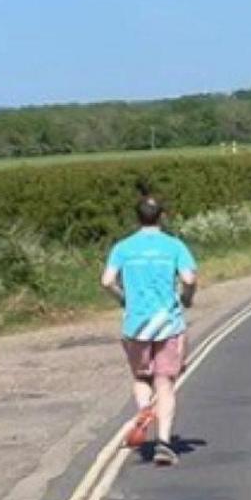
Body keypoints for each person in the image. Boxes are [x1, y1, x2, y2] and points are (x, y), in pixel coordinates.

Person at [104, 193, 200, 467]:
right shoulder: (174, 246)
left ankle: (145, 411)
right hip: (167, 324)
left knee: (140, 377)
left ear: (137, 217)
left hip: (136, 324)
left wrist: (123, 297)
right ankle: (164, 442)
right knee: (165, 382)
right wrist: (188, 296)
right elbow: (189, 278)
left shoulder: (123, 247)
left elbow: (107, 280)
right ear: (162, 216)